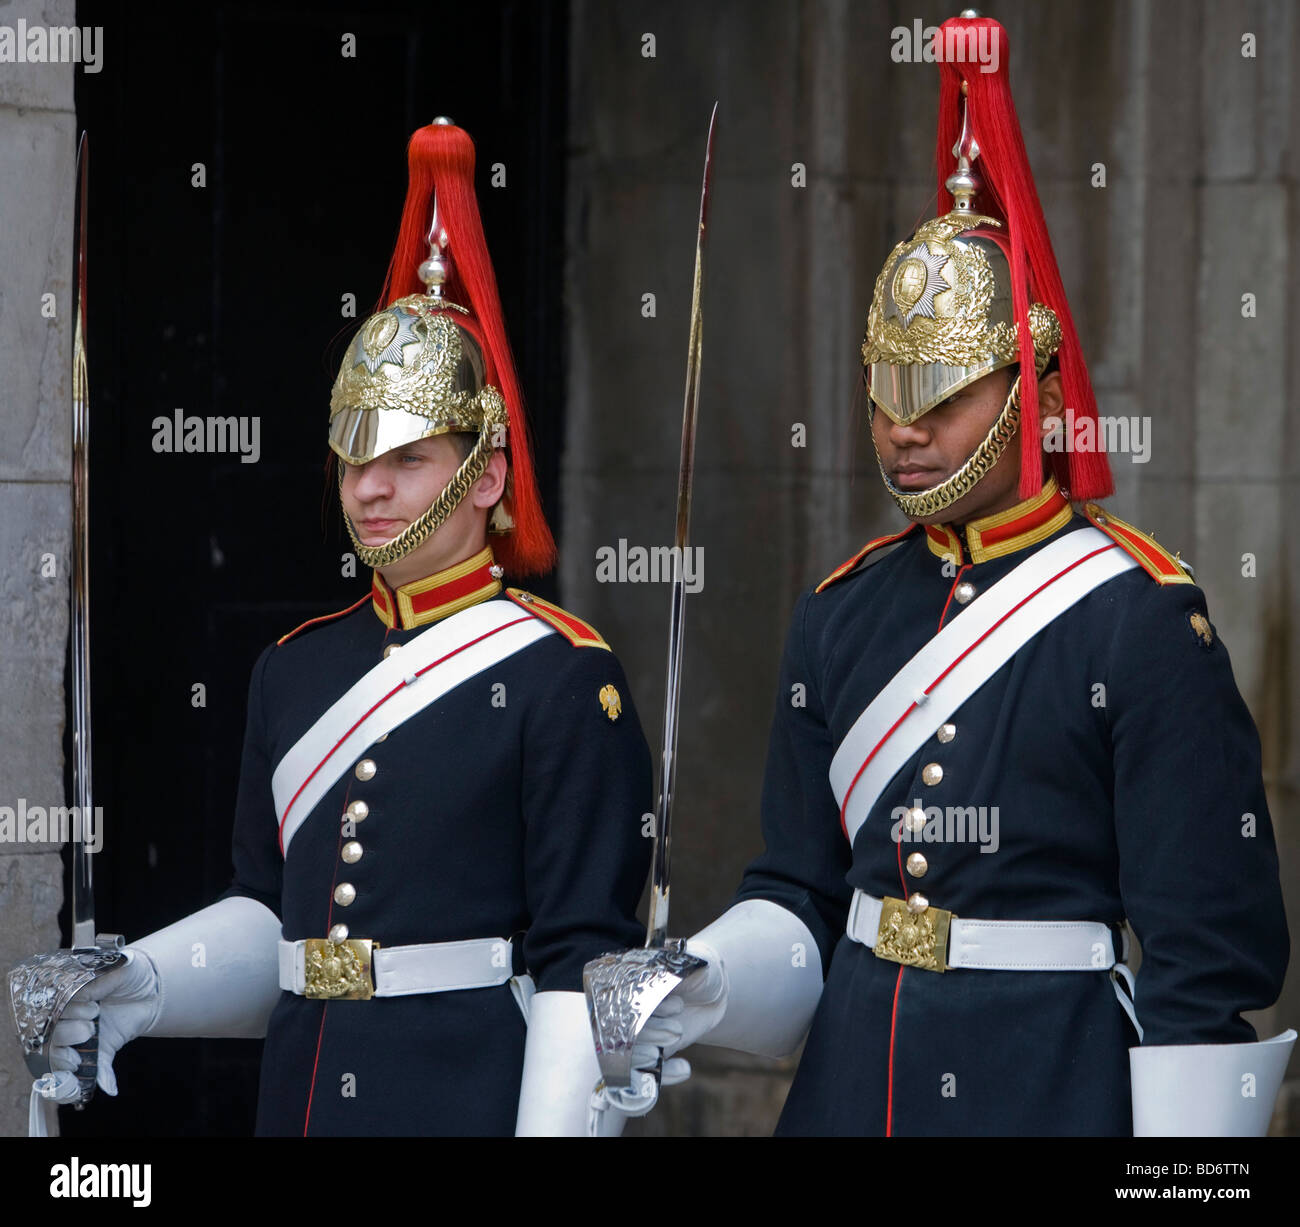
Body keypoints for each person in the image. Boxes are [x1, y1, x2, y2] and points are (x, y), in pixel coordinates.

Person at [641, 14, 1292, 1136]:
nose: (906, 426)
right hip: (851, 1093)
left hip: (1046, 1088)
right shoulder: (842, 613)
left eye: (943, 390)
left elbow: (1204, 961)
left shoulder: (1135, 620)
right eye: (890, 385)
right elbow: (800, 894)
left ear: (1027, 387)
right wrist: (700, 980)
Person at [45, 119, 652, 1136]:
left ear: (485, 474)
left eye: (407, 458)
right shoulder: (296, 669)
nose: (369, 487)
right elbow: (267, 919)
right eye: (353, 456)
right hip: (305, 1097)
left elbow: (576, 968)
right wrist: (137, 981)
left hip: (464, 1100)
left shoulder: (559, 677)